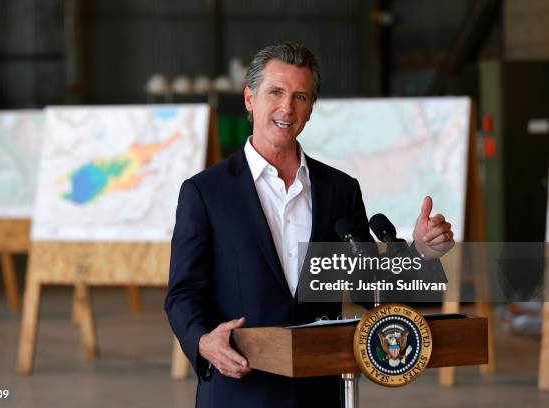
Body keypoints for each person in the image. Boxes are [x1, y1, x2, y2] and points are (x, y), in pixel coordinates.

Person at [165, 42, 454, 408]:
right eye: (276, 92)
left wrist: (419, 255)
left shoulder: (340, 190)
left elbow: (368, 290)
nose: (287, 107)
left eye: (300, 96)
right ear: (250, 98)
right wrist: (204, 342)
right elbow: (182, 293)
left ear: (311, 109)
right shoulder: (205, 193)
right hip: (239, 389)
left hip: (320, 391)